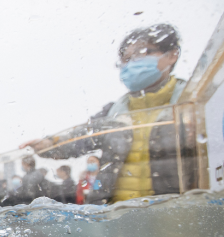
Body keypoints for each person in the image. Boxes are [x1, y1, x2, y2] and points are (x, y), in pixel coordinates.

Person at [20, 23, 192, 204]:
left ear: (172, 54)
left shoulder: (193, 100)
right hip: (116, 215)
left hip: (175, 211)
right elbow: (80, 137)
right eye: (125, 59)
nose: (131, 63)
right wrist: (49, 144)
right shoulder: (113, 112)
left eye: (141, 53)